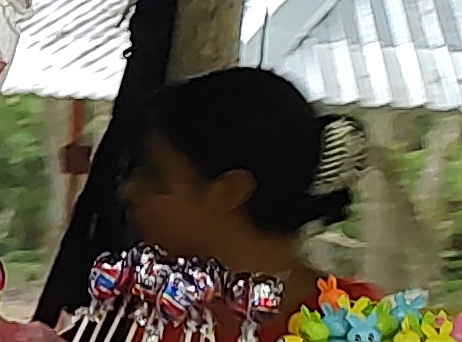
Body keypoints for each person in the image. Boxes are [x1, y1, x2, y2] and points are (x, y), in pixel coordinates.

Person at [117, 66, 358, 311]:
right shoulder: (155, 310)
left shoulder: (360, 328)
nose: (128, 192)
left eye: (154, 177)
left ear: (231, 191)